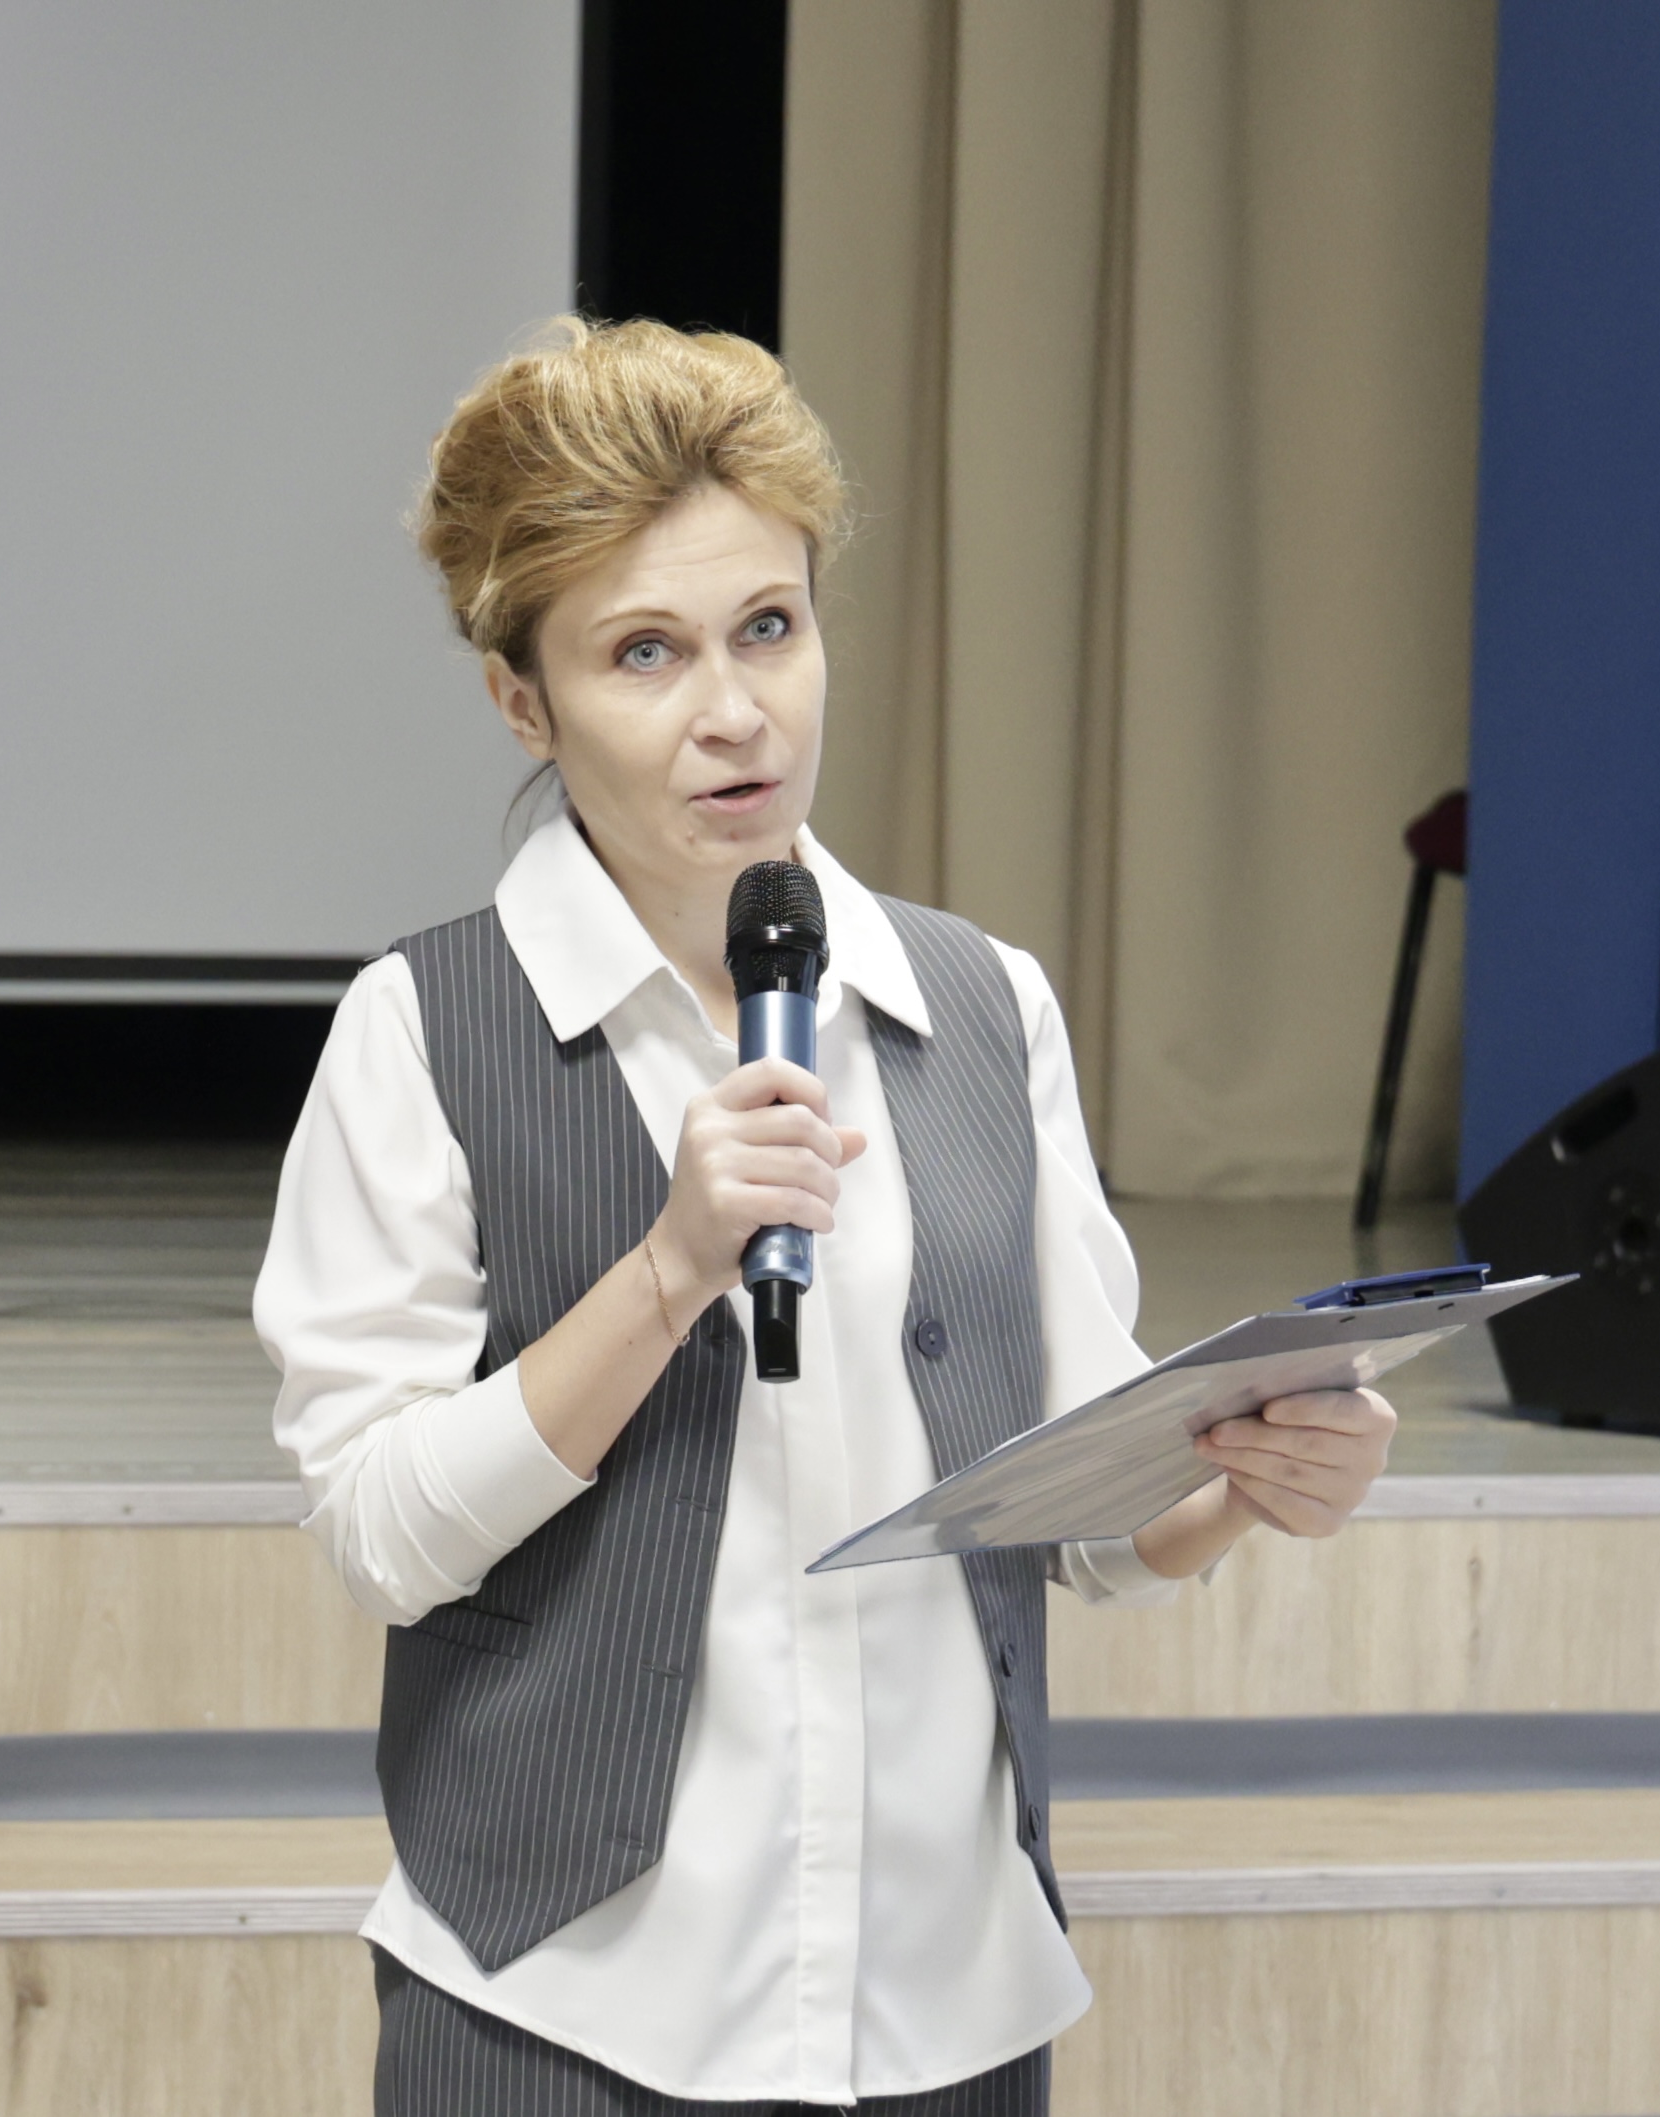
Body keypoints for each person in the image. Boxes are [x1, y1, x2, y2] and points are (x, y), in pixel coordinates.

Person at [257, 317, 1396, 2115]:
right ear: (522, 702)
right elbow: (385, 1536)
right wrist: (666, 1272)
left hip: (939, 2004)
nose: (735, 711)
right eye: (645, 651)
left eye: (770, 628)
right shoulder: (425, 1028)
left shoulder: (983, 1004)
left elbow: (1088, 1509)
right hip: (561, 2004)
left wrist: (1253, 1474)